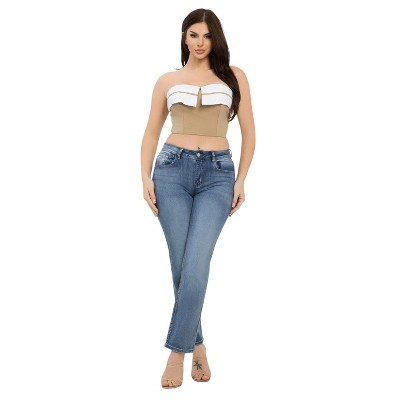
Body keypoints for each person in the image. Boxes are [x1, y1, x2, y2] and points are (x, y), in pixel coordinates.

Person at [140, 8, 255, 389]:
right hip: (171, 171)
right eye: (193, 35)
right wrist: (144, 177)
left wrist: (241, 179)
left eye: (206, 35)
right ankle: (199, 346)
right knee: (181, 267)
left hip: (218, 176)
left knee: (196, 265)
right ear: (184, 37)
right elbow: (151, 131)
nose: (200, 42)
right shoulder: (167, 80)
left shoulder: (234, 76)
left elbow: (250, 132)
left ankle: (177, 353)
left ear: (215, 38)